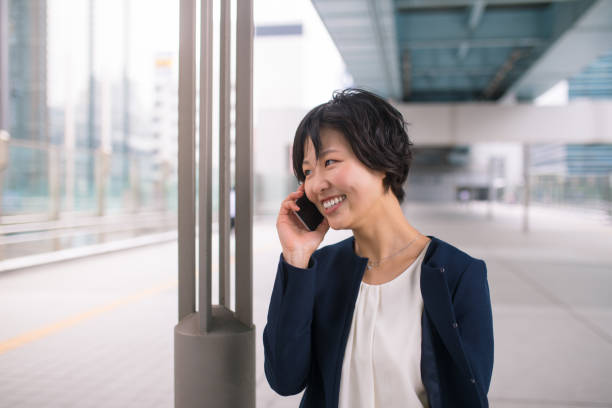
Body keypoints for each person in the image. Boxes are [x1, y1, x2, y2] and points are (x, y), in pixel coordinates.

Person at [263, 88, 494, 408]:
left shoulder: (458, 274)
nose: (315, 185)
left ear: (381, 159)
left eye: (329, 161)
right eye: (307, 171)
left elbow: (465, 397)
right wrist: (296, 257)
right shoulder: (319, 269)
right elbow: (285, 379)